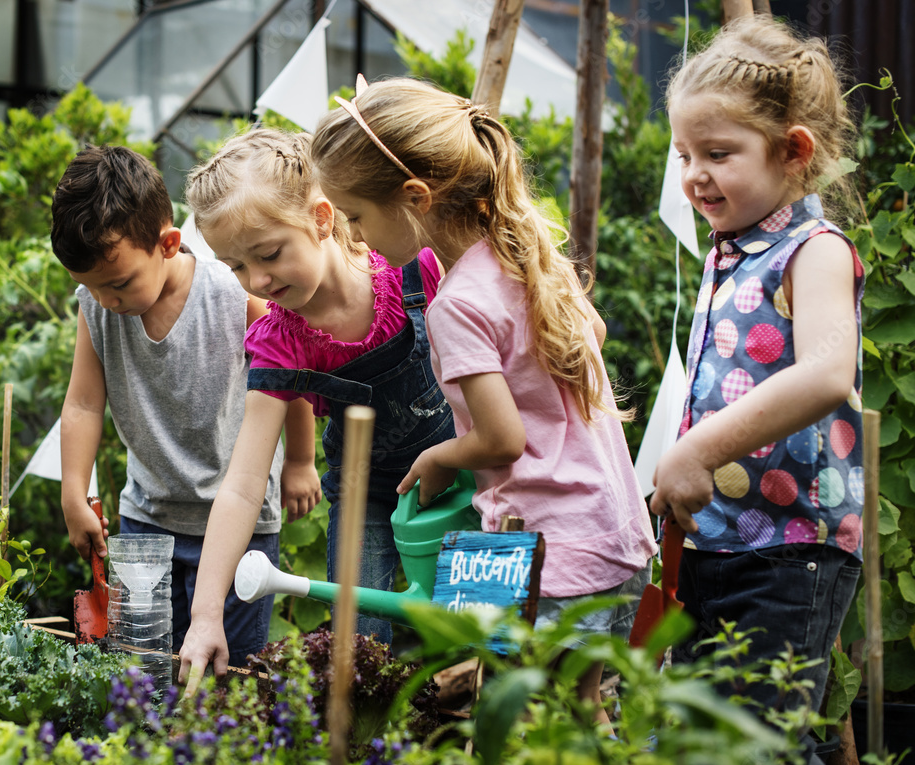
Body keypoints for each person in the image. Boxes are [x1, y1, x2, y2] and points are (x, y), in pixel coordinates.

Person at [310, 77, 657, 724]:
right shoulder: (526, 257)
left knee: (537, 723)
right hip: (614, 529)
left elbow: (501, 439)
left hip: (551, 552)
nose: (356, 238)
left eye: (355, 216)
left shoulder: (459, 304)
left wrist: (443, 455)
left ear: (415, 197)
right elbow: (594, 334)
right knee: (587, 714)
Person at [647, 16, 864, 762]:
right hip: (722, 540)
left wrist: (696, 450)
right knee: (716, 744)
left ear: (793, 151)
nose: (694, 176)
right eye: (684, 155)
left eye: (717, 154)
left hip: (790, 547)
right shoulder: (731, 251)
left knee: (758, 750)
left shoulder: (816, 251)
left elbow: (828, 374)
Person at [177, 127, 455, 687]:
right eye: (235, 267)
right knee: (358, 645)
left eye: (269, 254)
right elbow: (243, 483)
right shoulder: (280, 340)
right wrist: (206, 612)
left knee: (473, 632)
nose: (256, 281)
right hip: (367, 494)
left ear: (323, 218)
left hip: (467, 475)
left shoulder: (415, 269)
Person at [53, 145, 319, 668]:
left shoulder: (234, 297)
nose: (107, 299)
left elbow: (290, 376)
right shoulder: (98, 307)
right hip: (146, 519)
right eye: (89, 286)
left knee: (231, 676)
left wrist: (300, 461)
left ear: (168, 243)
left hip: (241, 525)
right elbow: (83, 404)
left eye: (119, 283)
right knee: (142, 670)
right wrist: (72, 492)